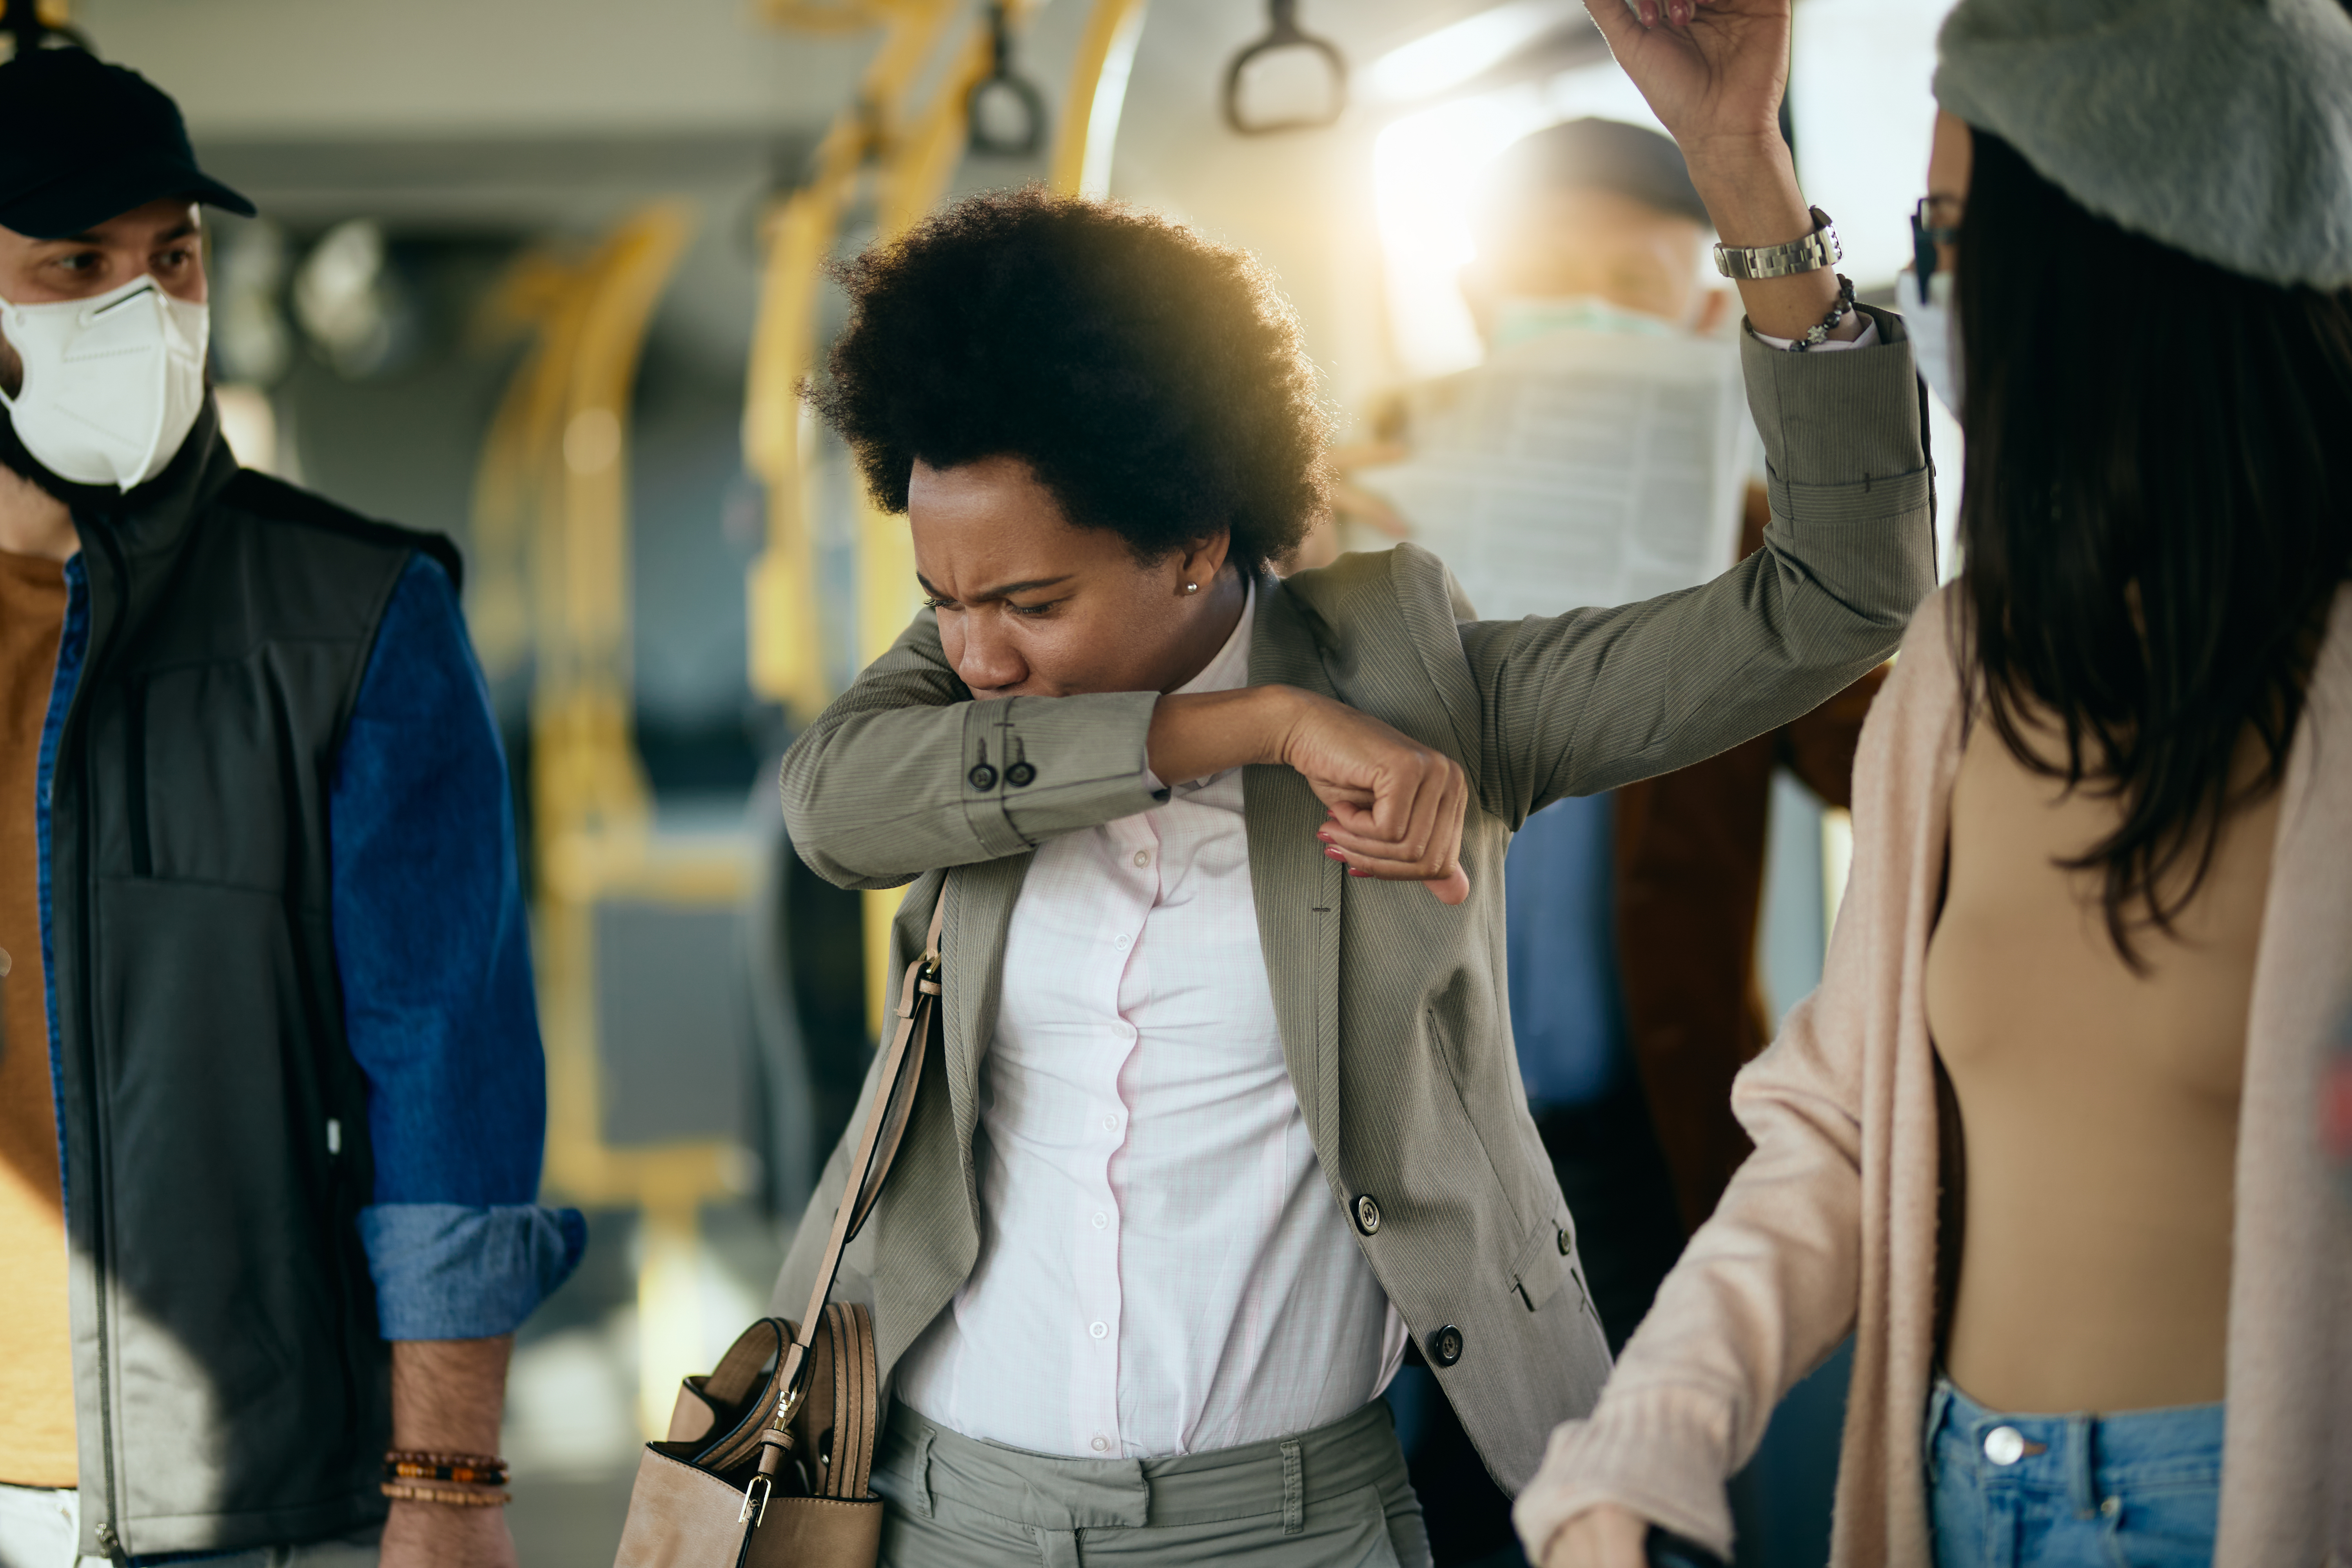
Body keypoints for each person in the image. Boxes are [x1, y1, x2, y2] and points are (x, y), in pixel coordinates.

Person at [769, 181, 1932, 1567]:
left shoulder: (1433, 697)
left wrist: (1749, 189)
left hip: (1293, 1532)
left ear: (1198, 538)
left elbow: (1845, 594)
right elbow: (831, 808)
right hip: (934, 1512)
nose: (978, 654)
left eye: (1030, 604)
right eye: (945, 599)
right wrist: (1252, 727)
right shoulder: (962, 690)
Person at [1514, 0, 2352, 1564]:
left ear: (2111, 266)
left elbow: (1830, 593)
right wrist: (1641, 1445)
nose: (1928, 289)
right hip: (1962, 1496)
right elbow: (1839, 1125)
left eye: (1948, 241)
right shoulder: (1975, 664)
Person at [0, 45, 580, 1568]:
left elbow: (445, 1073)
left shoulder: (358, 609)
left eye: (172, 257)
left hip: (202, 1494)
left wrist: (448, 1485)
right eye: (78, 263)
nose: (147, 305)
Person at [1339, 117, 1889, 1567]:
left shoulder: (1759, 560)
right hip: (1406, 1129)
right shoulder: (1358, 528)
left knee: (1648, 1500)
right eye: (1542, 275)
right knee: (1429, 1513)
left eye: (1621, 276)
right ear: (1474, 300)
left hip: (1642, 1124)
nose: (1578, 304)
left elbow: (1894, 772)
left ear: (1705, 307)